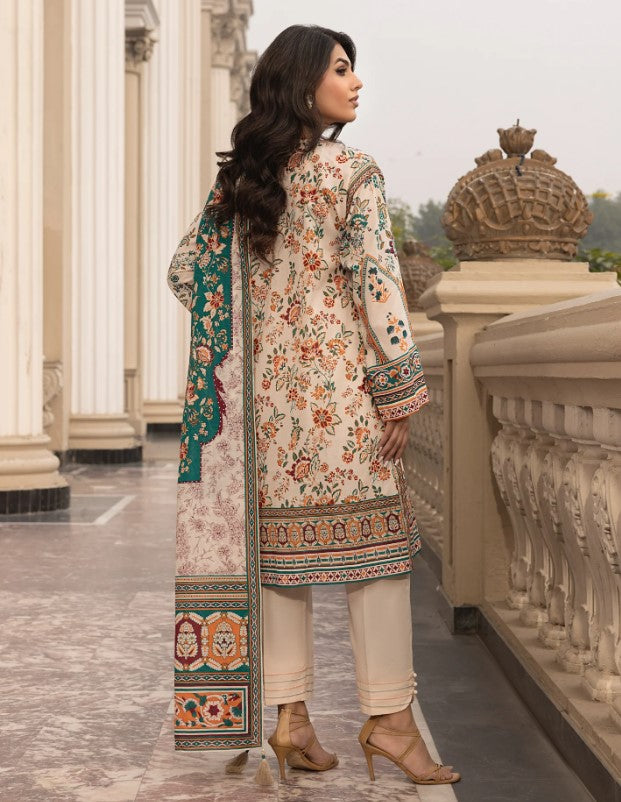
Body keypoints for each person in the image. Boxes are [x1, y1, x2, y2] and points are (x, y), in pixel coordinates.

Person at [169, 23, 460, 787]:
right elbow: (377, 285)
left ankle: (290, 719)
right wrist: (399, 388)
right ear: (302, 84)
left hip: (263, 410)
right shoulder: (353, 172)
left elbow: (184, 273)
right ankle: (390, 722)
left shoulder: (241, 182)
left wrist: (250, 329)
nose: (355, 82)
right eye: (340, 69)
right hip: (340, 398)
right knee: (377, 558)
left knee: (278, 564)